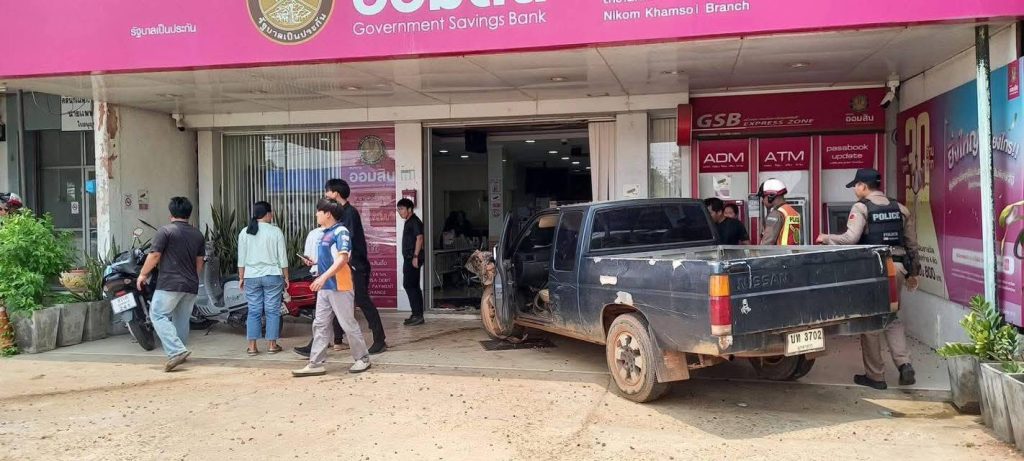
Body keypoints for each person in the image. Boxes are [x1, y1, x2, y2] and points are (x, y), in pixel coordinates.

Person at [816, 168, 920, 390]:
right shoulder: (901, 208)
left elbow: (850, 239)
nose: (855, 189)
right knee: (892, 316)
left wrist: (826, 238)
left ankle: (875, 376)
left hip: (874, 269)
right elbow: (912, 244)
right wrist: (913, 272)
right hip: (897, 267)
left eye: (856, 185)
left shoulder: (861, 207)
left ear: (863, 186)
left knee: (871, 321)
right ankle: (904, 364)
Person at [292, 199, 371, 376]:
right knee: (320, 324)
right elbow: (332, 258)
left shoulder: (341, 232)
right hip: (326, 286)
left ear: (328, 214)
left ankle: (362, 358)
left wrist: (323, 277)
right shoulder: (325, 233)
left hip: (339, 285)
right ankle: (315, 363)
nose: (316, 214)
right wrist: (315, 262)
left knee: (347, 323)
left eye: (319, 211)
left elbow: (343, 258)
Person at [137, 197, 206, 372]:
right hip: (190, 284)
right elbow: (199, 262)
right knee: (181, 319)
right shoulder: (197, 234)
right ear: (189, 213)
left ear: (171, 213)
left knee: (158, 314)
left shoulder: (165, 231)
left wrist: (143, 274)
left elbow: (154, 255)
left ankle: (176, 351)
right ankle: (180, 351)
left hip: (170, 283)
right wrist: (192, 278)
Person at [324, 178, 387, 354]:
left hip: (355, 265)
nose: (325, 194)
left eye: (327, 191)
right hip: (343, 265)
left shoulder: (349, 213)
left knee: (362, 300)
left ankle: (380, 339)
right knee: (337, 300)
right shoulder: (339, 213)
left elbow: (347, 240)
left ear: (335, 193)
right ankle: (337, 339)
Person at [237, 201, 289, 356]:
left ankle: (252, 347)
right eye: (271, 213)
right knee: (272, 310)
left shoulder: (245, 232)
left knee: (254, 310)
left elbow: (241, 258)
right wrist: (286, 277)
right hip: (272, 275)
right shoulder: (276, 231)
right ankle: (272, 345)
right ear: (267, 214)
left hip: (251, 276)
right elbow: (283, 258)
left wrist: (241, 277)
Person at [397, 198, 425, 326]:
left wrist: (415, 256)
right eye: (398, 209)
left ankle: (417, 315)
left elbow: (419, 238)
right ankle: (416, 314)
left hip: (412, 258)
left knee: (410, 285)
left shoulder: (414, 221)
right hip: (409, 258)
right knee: (413, 285)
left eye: (402, 209)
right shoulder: (409, 221)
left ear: (409, 209)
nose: (400, 212)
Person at [756, 179, 801, 245]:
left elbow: (767, 243)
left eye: (763, 197)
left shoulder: (775, 214)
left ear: (771, 196)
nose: (762, 201)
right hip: (792, 251)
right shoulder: (793, 212)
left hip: (780, 251)